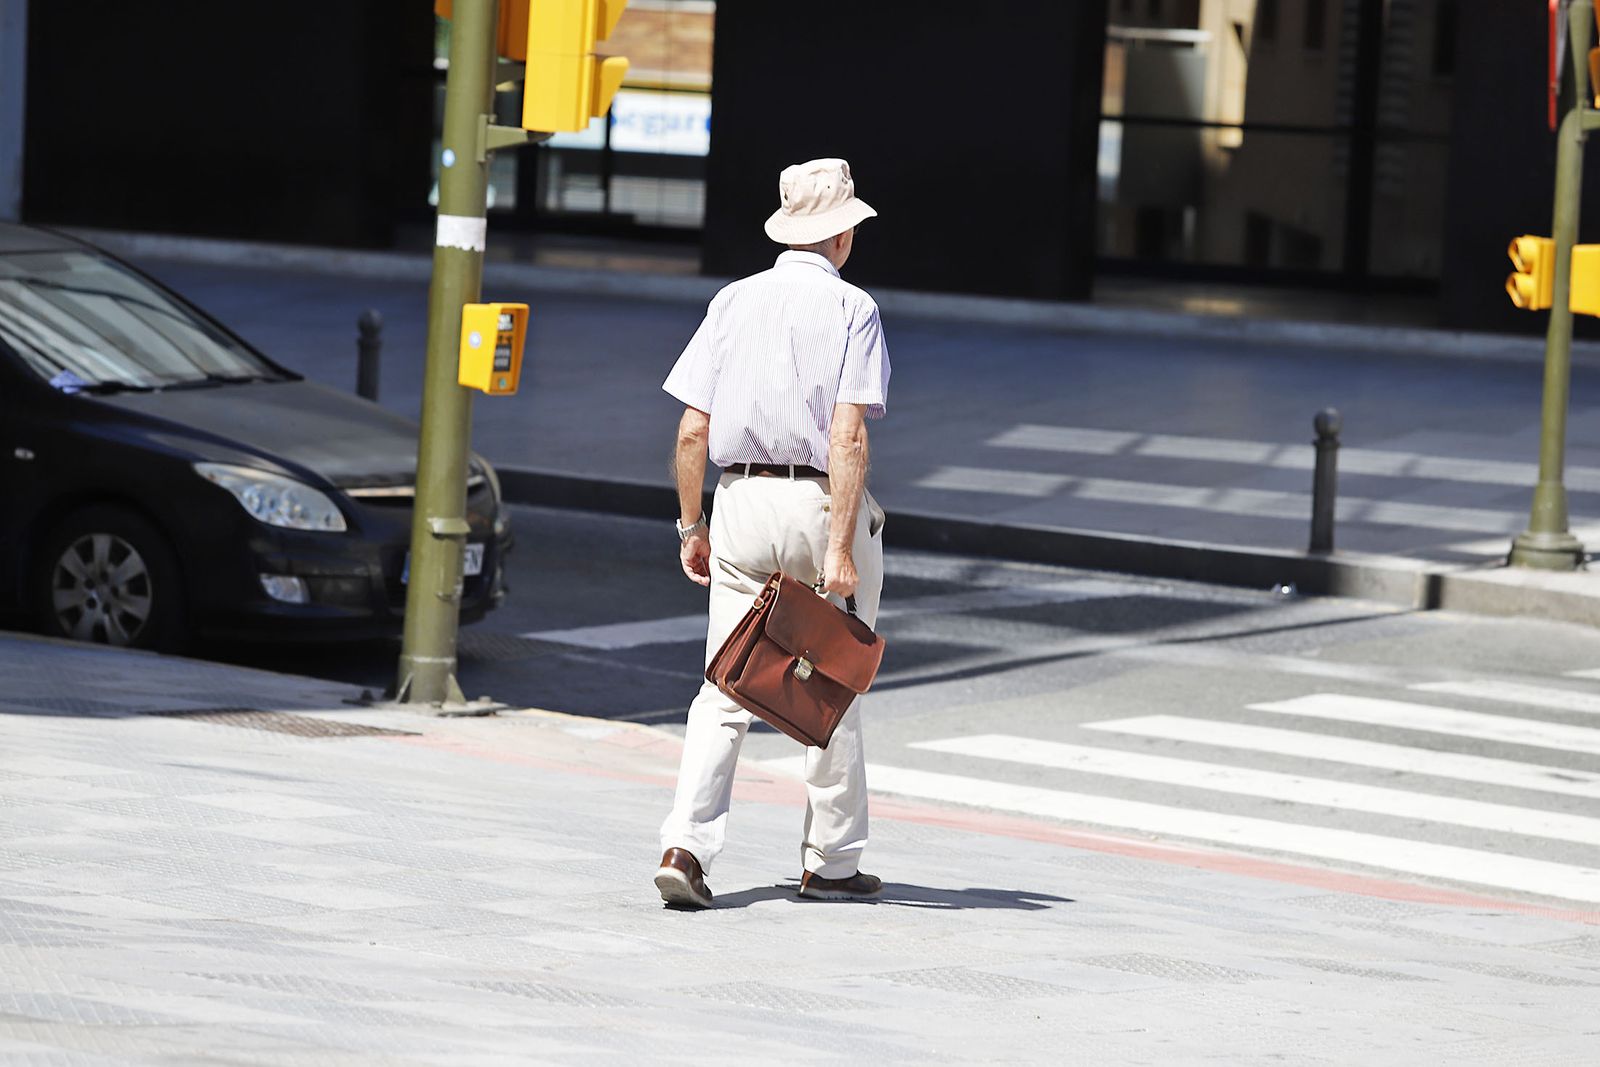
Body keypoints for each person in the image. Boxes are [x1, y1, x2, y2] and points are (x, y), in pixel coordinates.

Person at [654, 158, 891, 909]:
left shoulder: (731, 301)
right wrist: (840, 548)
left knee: (724, 684)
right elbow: (848, 437)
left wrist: (693, 522)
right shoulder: (855, 309)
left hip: (740, 504)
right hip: (816, 506)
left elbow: (693, 429)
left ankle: (685, 847)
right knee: (831, 681)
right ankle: (831, 860)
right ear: (843, 236)